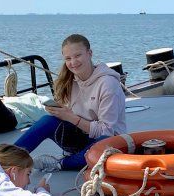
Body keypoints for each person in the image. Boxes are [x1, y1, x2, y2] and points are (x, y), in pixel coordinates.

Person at [14, 34, 127, 172]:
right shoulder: (69, 81)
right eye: (68, 58)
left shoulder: (108, 84)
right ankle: (7, 160)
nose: (73, 62)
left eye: (78, 55)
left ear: (89, 53)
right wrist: (62, 112)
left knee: (103, 146)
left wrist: (71, 117)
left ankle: (61, 163)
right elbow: (72, 116)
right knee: (47, 121)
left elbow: (107, 131)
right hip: (81, 137)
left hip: (109, 142)